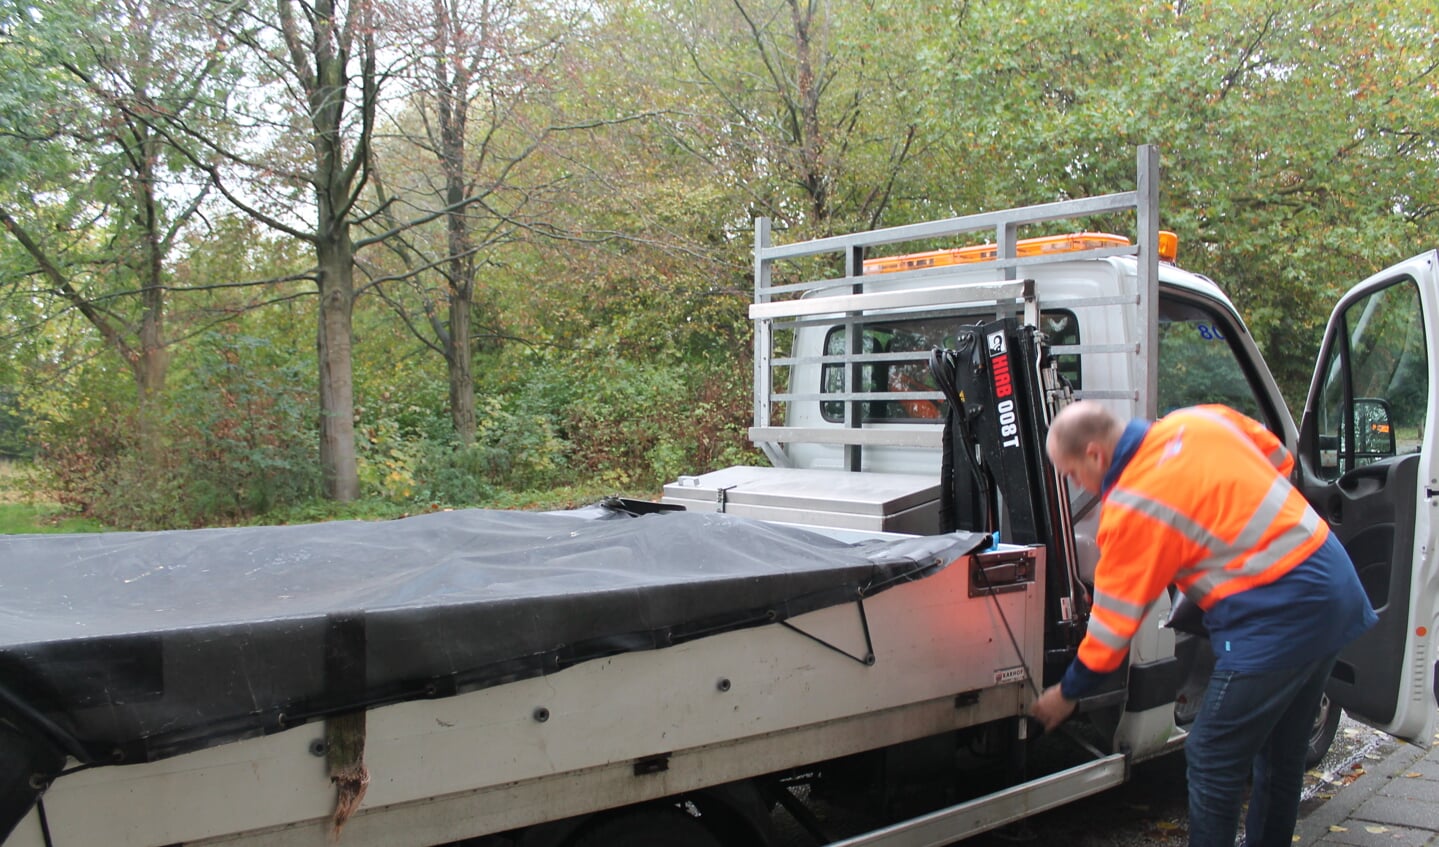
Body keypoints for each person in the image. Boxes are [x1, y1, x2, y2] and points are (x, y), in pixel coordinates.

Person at [1030, 401, 1377, 847]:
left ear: (1096, 454)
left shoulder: (1132, 505)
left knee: (1212, 754)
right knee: (1281, 755)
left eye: (1073, 472)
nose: (1076, 484)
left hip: (1277, 618)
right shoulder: (1197, 420)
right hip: (1332, 581)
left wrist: (1067, 693)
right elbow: (1278, 459)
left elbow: (1110, 633)